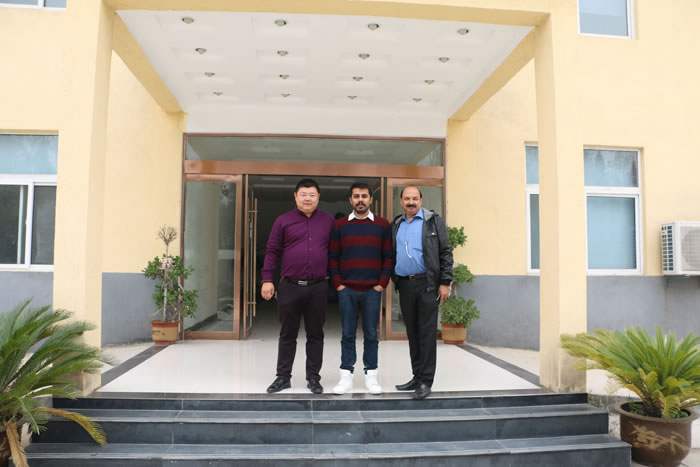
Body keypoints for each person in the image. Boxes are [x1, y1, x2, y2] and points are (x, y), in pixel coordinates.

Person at [261, 178, 334, 394]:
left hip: (318, 286)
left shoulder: (329, 221)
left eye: (312, 194)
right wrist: (267, 279)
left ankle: (313, 378)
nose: (307, 198)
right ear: (295, 196)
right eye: (303, 194)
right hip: (289, 286)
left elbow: (335, 251)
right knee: (287, 334)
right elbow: (272, 250)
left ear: (318, 197)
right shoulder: (283, 221)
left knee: (316, 334)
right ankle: (283, 377)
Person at [328, 183, 392, 395]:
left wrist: (381, 284)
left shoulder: (382, 225)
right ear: (350, 200)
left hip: (372, 290)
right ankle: (345, 376)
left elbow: (388, 257)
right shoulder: (339, 225)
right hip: (347, 290)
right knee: (347, 334)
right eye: (356, 196)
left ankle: (371, 376)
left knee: (371, 334)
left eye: (364, 196)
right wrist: (338, 284)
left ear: (371, 199)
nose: (360, 200)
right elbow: (333, 257)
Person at [391, 186, 453, 400]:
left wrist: (445, 282)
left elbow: (445, 252)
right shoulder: (396, 224)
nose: (411, 202)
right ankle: (417, 377)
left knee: (426, 334)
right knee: (413, 333)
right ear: (401, 201)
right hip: (405, 285)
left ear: (421, 200)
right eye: (407, 198)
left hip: (428, 285)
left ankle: (426, 381)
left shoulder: (433, 222)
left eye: (415, 198)